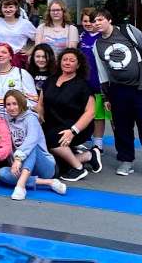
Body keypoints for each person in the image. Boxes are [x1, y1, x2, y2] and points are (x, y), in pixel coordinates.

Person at [90, 9, 142, 183]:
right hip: (118, 90)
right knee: (122, 128)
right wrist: (107, 96)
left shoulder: (128, 31)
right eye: (94, 22)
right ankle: (126, 160)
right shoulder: (98, 45)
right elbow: (102, 72)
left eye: (100, 20)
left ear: (109, 19)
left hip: (141, 88)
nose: (97, 24)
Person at [39, 48, 101, 182]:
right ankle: (88, 156)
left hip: (74, 126)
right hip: (52, 123)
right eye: (64, 59)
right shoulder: (51, 79)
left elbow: (90, 113)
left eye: (72, 60)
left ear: (78, 65)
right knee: (45, 147)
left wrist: (73, 131)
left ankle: (78, 168)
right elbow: (41, 105)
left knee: (51, 139)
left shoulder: (83, 85)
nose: (67, 63)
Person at [0, 90, 67, 201]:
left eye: (15, 104)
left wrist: (19, 158)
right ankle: (48, 183)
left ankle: (20, 186)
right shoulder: (6, 119)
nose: (11, 107)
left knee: (31, 146)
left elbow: (32, 139)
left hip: (44, 166)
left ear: (21, 103)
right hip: (21, 166)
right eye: (8, 104)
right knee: (2, 173)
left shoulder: (31, 118)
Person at [79, 7, 108, 151]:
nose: (88, 23)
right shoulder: (81, 37)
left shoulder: (104, 37)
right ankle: (98, 145)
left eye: (91, 20)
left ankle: (123, 148)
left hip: (107, 86)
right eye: (85, 21)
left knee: (115, 118)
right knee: (98, 116)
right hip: (89, 85)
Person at [0, 0, 37, 68]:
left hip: (18, 60)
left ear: (16, 8)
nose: (8, 10)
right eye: (5, 7)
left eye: (11, 7)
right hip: (0, 60)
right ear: (1, 8)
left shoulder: (25, 24)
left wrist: (29, 52)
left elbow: (39, 40)